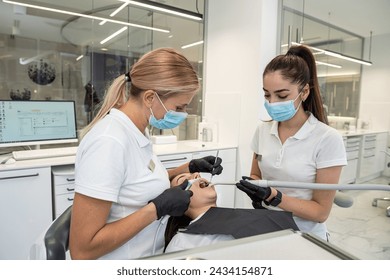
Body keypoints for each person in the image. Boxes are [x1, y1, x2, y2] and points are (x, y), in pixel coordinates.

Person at [69, 48, 223, 260]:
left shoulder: (136, 130)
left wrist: (189, 167)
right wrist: (156, 209)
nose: (182, 114)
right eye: (179, 106)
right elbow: (82, 250)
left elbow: (135, 181)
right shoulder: (109, 142)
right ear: (150, 97)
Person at [236, 45, 347, 241]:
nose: (272, 102)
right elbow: (257, 174)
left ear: (304, 92)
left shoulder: (327, 138)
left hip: (305, 236)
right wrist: (254, 188)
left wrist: (274, 198)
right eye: (266, 95)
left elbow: (320, 213)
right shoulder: (262, 131)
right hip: (265, 227)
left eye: (282, 95)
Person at [164, 173, 298, 253]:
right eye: (183, 180)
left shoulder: (246, 218)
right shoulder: (182, 243)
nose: (196, 175)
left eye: (194, 173)